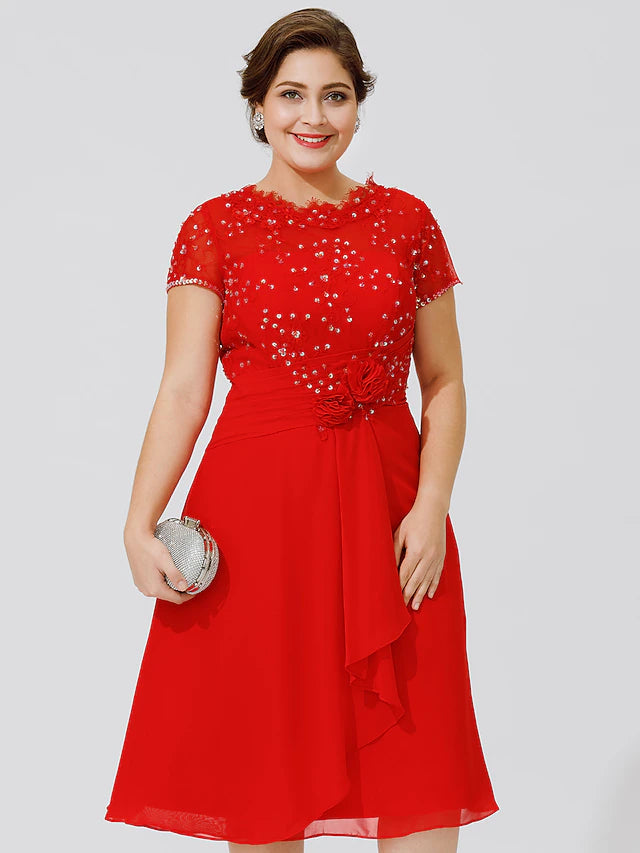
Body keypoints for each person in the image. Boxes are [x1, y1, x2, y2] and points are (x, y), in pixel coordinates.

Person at [104, 8, 499, 852]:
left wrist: (432, 505)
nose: (313, 116)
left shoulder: (409, 222)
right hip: (261, 528)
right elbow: (183, 390)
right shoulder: (214, 227)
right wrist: (139, 522)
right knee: (265, 786)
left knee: (421, 777)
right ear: (258, 105)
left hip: (395, 523)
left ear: (358, 105)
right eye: (291, 94)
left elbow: (445, 380)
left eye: (335, 95)